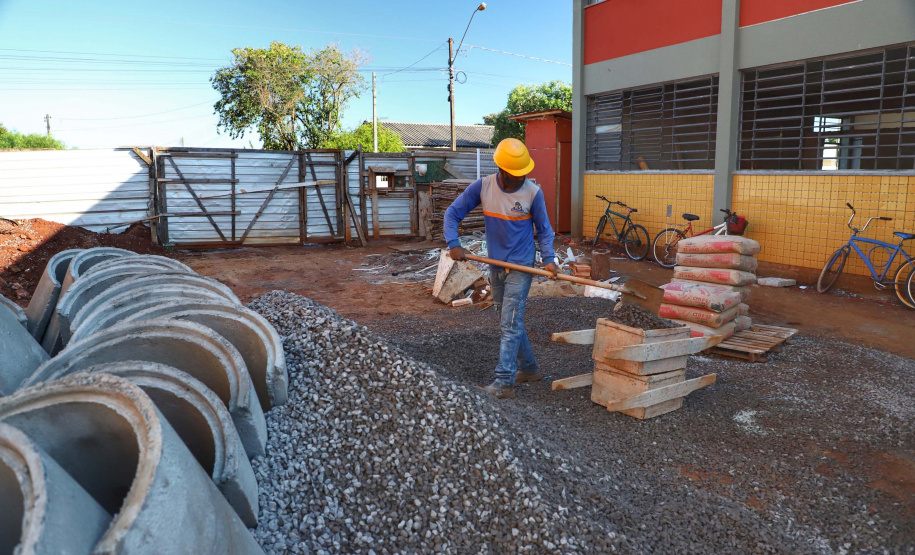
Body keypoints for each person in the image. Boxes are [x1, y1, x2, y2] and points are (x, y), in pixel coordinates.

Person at [443, 138, 558, 399]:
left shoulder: (532, 192)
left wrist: (549, 258)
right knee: (509, 320)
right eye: (516, 174)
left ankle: (504, 382)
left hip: (521, 265)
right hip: (495, 263)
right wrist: (454, 243)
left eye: (524, 173)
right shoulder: (483, 187)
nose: (521, 178)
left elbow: (545, 230)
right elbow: (452, 214)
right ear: (502, 170)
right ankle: (529, 368)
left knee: (509, 321)